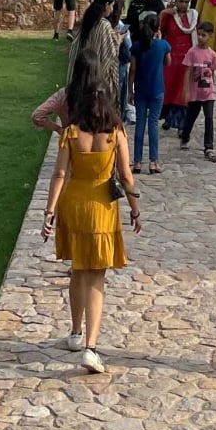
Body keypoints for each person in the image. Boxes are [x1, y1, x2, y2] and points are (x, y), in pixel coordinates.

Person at [41, 48, 141, 375]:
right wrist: (135, 208)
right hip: (102, 206)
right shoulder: (116, 133)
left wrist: (49, 211)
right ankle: (91, 347)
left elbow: (59, 174)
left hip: (74, 202)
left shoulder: (71, 133)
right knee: (96, 277)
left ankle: (74, 332)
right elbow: (126, 176)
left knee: (78, 269)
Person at [128, 13, 171, 175]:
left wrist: (130, 90)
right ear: (157, 28)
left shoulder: (137, 46)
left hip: (140, 89)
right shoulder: (163, 45)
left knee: (140, 123)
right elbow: (168, 62)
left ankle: (137, 161)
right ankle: (153, 161)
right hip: (157, 89)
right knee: (153, 124)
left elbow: (132, 69)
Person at [69, 0, 121, 105]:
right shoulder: (104, 25)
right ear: (107, 5)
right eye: (112, 6)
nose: (112, 10)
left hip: (84, 74)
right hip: (98, 77)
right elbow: (110, 54)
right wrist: (118, 41)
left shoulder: (88, 21)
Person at [181, 20, 216, 161]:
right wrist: (186, 90)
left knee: (209, 118)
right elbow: (187, 71)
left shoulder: (212, 54)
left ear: (210, 37)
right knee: (191, 117)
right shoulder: (192, 52)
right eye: (199, 34)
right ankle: (185, 136)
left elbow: (215, 69)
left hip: (208, 93)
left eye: (204, 35)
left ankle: (208, 147)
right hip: (195, 93)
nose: (200, 38)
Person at [159, 0, 198, 131]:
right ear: (175, 1)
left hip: (186, 60)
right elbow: (158, 30)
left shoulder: (193, 16)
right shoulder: (169, 15)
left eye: (187, 2)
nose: (184, 5)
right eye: (181, 1)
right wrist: (163, 13)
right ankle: (168, 118)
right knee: (169, 88)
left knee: (182, 90)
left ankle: (181, 122)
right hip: (170, 59)